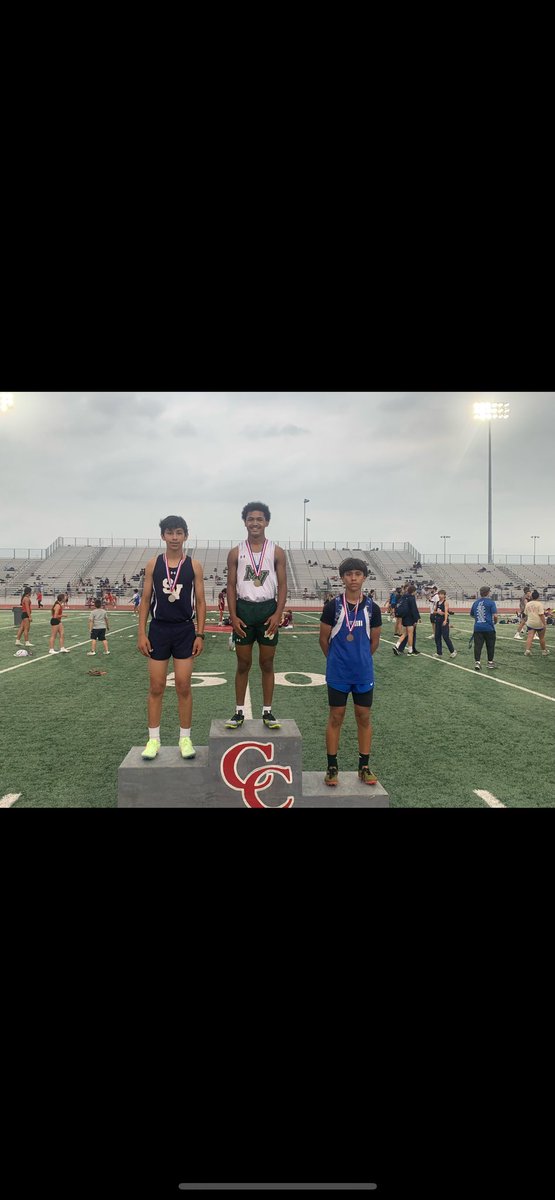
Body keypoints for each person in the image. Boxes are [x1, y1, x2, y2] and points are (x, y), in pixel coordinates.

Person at [137, 515, 206, 760]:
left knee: (183, 685)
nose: (174, 537)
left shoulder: (194, 565)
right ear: (163, 536)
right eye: (170, 533)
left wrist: (200, 633)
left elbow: (200, 601)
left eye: (179, 532)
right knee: (156, 686)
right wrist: (142, 632)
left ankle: (185, 738)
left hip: (184, 630)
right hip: (159, 629)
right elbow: (145, 600)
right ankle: (153, 740)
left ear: (186, 535)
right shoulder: (153, 564)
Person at [319, 558, 382, 787]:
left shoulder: (372, 608)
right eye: (348, 574)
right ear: (342, 578)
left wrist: (360, 661)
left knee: (363, 717)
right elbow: (323, 640)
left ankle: (364, 766)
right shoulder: (332, 606)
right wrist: (337, 661)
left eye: (357, 574)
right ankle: (332, 765)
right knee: (336, 716)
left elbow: (374, 643)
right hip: (338, 673)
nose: (353, 578)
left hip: (363, 673)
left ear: (364, 577)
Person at [225, 502, 287, 729]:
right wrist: (233, 615)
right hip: (244, 609)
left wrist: (278, 613)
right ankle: (239, 711)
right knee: (243, 663)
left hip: (267, 610)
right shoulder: (236, 552)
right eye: (251, 519)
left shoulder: (277, 551)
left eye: (259, 519)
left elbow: (282, 585)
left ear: (267, 522)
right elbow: (231, 586)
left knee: (267, 663)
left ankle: (267, 712)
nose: (255, 523)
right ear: (244, 522)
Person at [470, 586, 498, 670]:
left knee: (478, 646)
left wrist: (478, 619)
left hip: (478, 627)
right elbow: (495, 615)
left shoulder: (475, 603)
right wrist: (495, 622)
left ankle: (477, 662)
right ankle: (490, 662)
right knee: (490, 645)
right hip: (489, 627)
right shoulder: (491, 602)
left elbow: (472, 614)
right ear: (488, 592)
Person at [392, 584, 420, 655]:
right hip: (410, 618)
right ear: (413, 591)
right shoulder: (411, 597)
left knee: (405, 634)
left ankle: (397, 645)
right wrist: (417, 618)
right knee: (410, 634)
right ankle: (410, 651)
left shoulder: (404, 596)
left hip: (404, 617)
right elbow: (414, 609)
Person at [523, 590, 549, 657]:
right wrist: (544, 624)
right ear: (538, 597)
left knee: (530, 637)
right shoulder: (539, 604)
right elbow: (541, 615)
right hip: (538, 623)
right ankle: (544, 651)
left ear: (532, 596)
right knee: (541, 638)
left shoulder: (528, 604)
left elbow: (525, 613)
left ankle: (527, 650)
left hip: (530, 622)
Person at [433, 590, 457, 658]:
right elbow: (434, 611)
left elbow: (446, 612)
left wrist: (445, 620)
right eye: (439, 594)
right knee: (437, 637)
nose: (440, 595)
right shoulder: (437, 603)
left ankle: (453, 651)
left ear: (444, 595)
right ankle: (439, 652)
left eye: (441, 594)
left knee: (445, 637)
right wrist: (438, 612)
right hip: (437, 620)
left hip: (443, 621)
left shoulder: (445, 602)